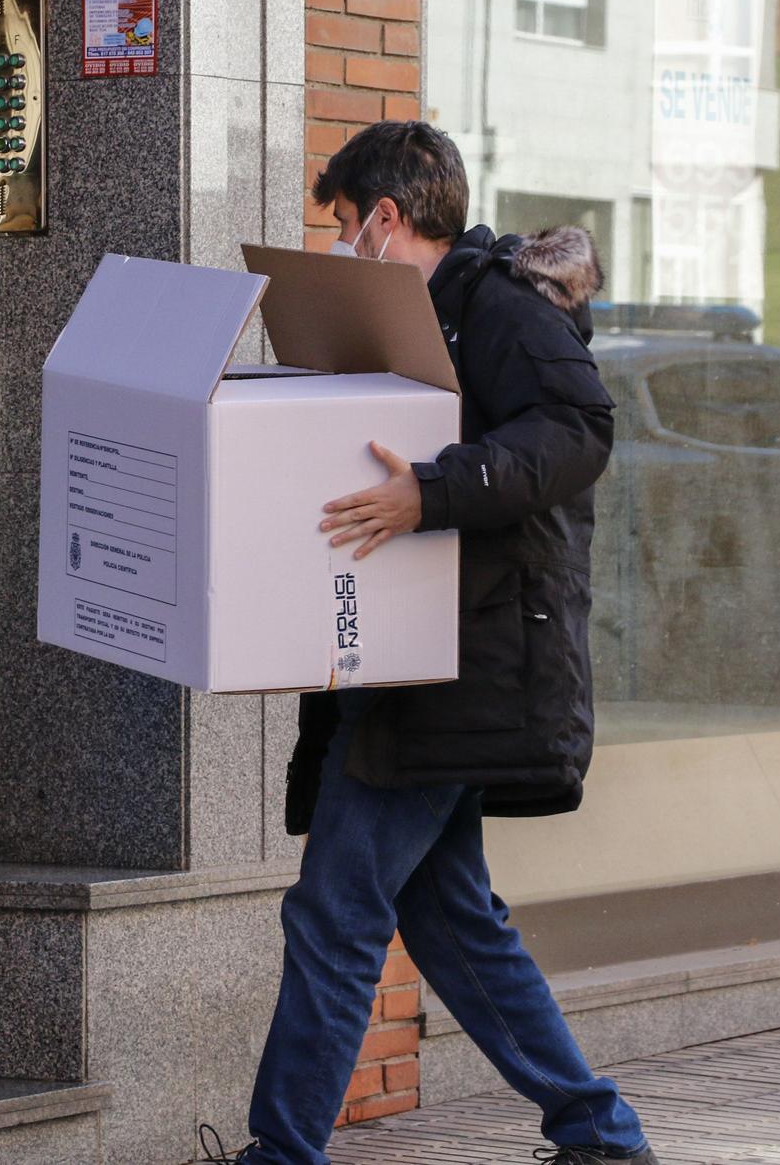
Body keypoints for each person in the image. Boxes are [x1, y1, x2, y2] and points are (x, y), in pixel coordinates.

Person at [209, 122, 658, 1165]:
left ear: (383, 217)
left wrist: (430, 493)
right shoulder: (415, 315)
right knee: (452, 920)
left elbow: (579, 426)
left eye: (338, 224)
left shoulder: (495, 304)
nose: (334, 245)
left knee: (333, 914)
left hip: (465, 665)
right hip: (407, 657)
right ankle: (597, 1133)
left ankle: (280, 1153)